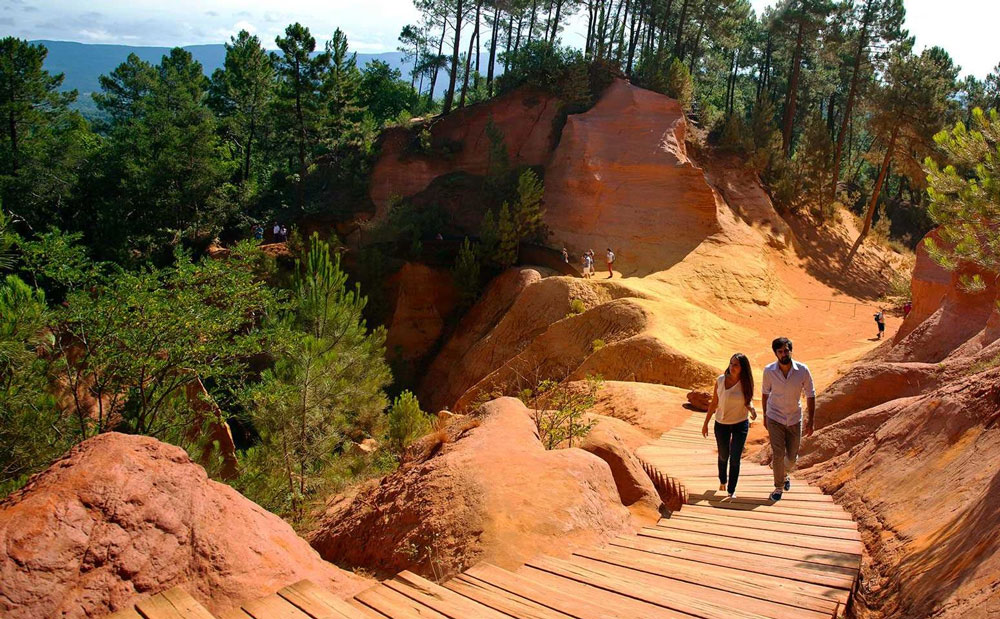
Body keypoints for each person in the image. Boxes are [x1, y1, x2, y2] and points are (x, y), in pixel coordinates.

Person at [762, 336, 815, 502]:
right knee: (778, 454)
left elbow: (810, 394)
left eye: (786, 350)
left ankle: (783, 473)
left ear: (790, 350)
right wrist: (765, 415)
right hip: (774, 416)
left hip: (794, 418)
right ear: (776, 354)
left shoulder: (802, 370)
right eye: (780, 351)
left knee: (791, 458)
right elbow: (765, 393)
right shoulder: (769, 371)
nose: (784, 354)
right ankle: (778, 487)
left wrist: (811, 420)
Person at [701, 353, 757, 499]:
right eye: (731, 364)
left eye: (736, 365)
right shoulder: (720, 380)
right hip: (721, 424)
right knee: (724, 455)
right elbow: (714, 403)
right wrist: (705, 423)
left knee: (735, 458)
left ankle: (731, 490)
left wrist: (751, 409)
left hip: (740, 423)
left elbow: (748, 400)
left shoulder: (746, 383)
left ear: (742, 368)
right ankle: (722, 479)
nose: (732, 367)